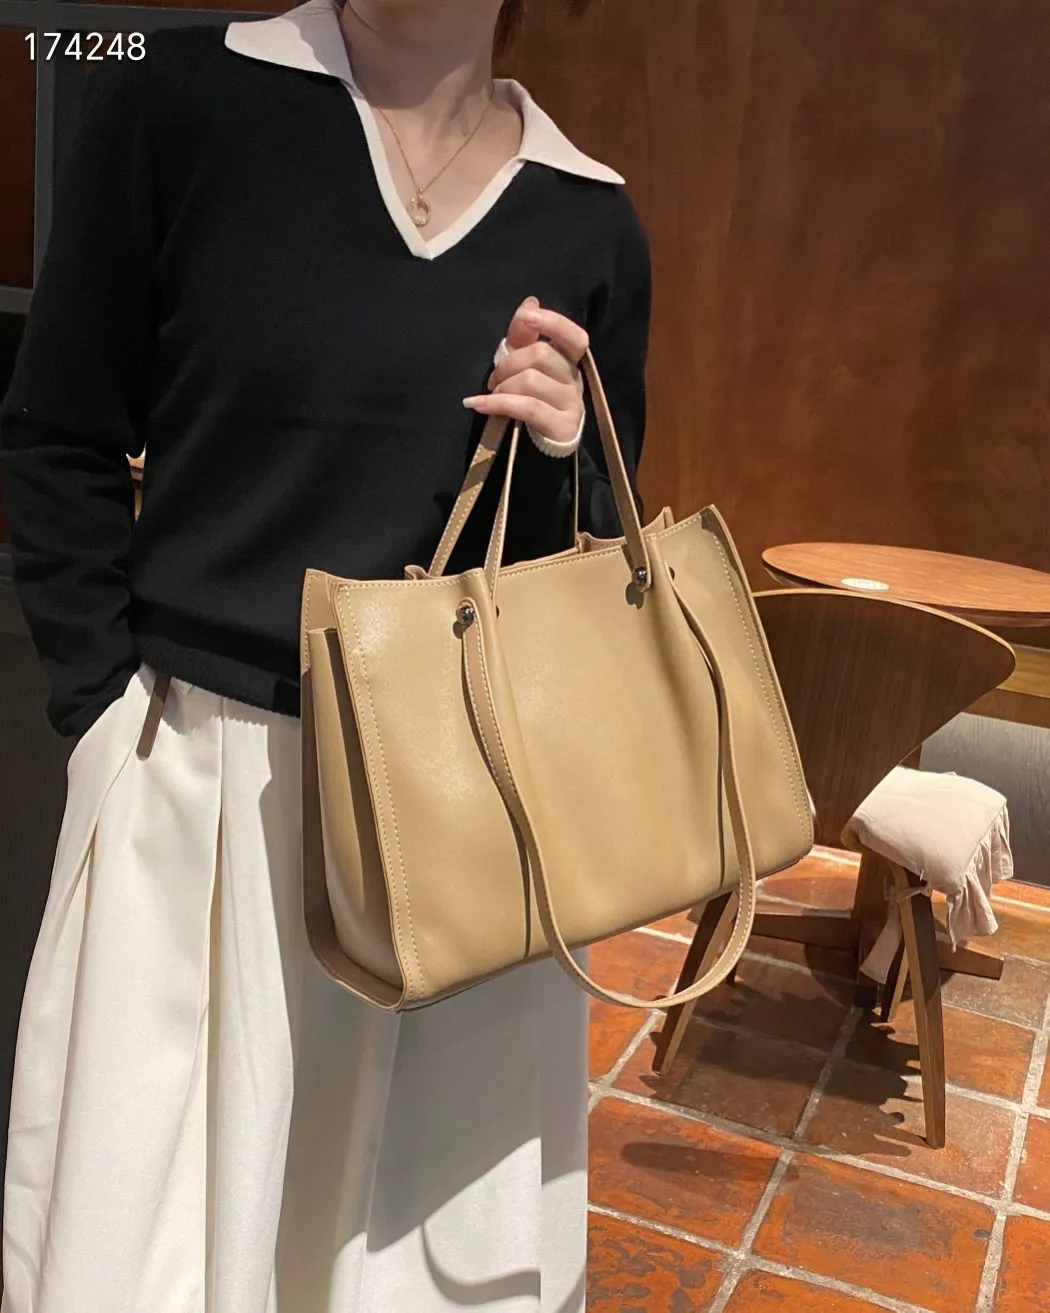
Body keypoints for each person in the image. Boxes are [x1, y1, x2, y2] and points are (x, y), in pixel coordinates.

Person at [0, 0, 651, 1308]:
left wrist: (561, 450)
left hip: (457, 820)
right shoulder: (187, 103)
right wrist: (103, 713)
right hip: (198, 795)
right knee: (147, 1243)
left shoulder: (585, 215)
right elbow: (60, 431)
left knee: (403, 1253)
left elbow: (577, 571)